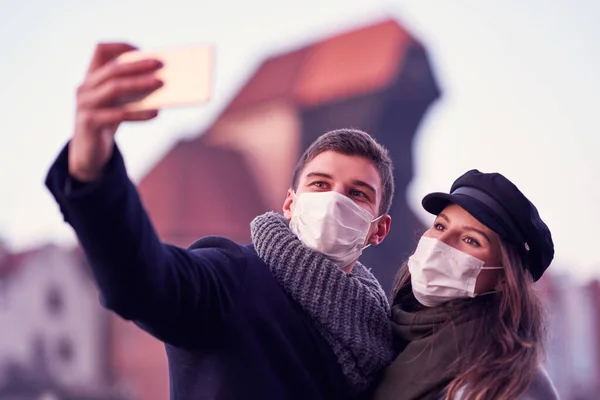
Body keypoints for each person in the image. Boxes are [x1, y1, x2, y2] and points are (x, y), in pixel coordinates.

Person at [44, 43, 396, 400]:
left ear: (378, 229)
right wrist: (91, 172)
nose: (334, 200)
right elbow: (145, 281)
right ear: (290, 204)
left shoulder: (382, 335)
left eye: (358, 193)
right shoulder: (234, 278)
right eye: (320, 184)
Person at [370, 170, 559, 400]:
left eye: (470, 240)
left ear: (502, 278)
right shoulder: (379, 337)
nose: (440, 242)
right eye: (440, 226)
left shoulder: (508, 385)